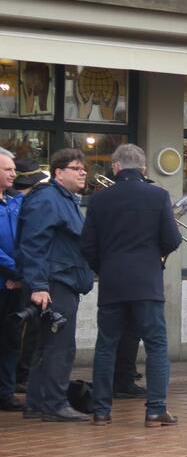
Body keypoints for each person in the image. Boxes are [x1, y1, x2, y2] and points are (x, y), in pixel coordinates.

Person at [82, 144, 183, 426]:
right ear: (143, 169)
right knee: (156, 345)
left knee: (106, 346)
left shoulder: (99, 199)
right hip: (147, 283)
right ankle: (155, 409)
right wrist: (152, 259)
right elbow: (172, 240)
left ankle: (101, 410)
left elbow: (88, 245)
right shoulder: (158, 195)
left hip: (112, 282)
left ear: (115, 167)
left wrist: (104, 268)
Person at [18, 148, 94, 421]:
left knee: (46, 345)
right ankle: (54, 403)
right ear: (59, 173)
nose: (83, 171)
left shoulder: (64, 199)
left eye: (83, 167)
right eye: (76, 167)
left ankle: (37, 403)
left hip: (62, 281)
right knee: (60, 346)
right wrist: (39, 285)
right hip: (54, 284)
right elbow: (33, 244)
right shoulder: (48, 199)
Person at [11, 157, 47, 393]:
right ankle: (18, 374)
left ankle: (21, 373)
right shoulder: (17, 204)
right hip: (15, 274)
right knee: (18, 329)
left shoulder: (20, 202)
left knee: (28, 327)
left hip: (20, 273)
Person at [0, 150, 23, 412]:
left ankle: (5, 392)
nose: (13, 174)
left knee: (10, 341)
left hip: (14, 286)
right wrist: (16, 271)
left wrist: (22, 275)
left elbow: (27, 240)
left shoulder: (14, 202)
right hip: (6, 280)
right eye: (7, 169)